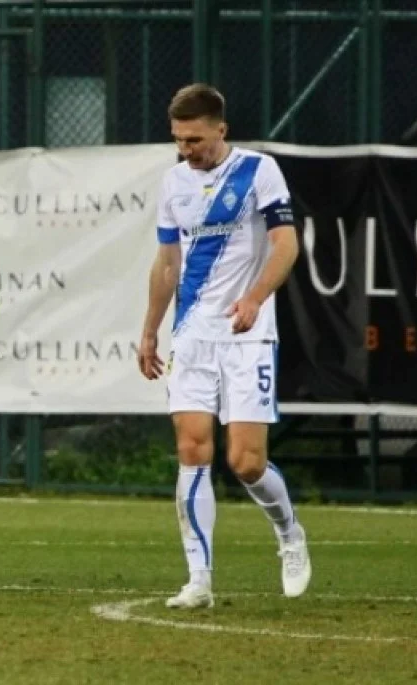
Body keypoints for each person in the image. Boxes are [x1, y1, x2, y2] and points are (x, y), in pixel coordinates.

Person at [138, 83, 312, 609]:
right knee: (192, 449)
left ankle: (289, 533)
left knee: (246, 461)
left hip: (247, 334)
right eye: (178, 139)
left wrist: (255, 298)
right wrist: (150, 330)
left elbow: (286, 244)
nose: (185, 149)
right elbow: (167, 263)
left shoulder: (259, 171)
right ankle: (199, 580)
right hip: (193, 334)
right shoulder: (174, 183)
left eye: (194, 139)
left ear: (221, 129)